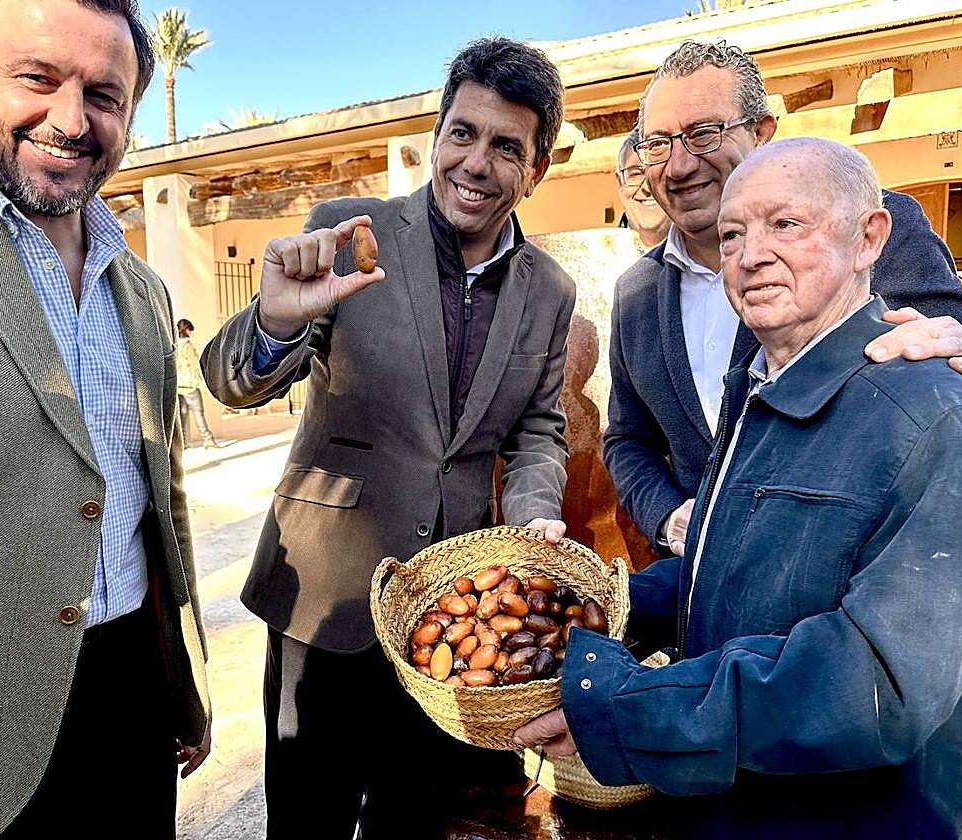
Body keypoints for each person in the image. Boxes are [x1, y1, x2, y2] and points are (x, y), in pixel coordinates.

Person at [516, 137, 962, 838]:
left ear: (869, 238)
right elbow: (734, 574)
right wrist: (596, 604)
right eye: (733, 234)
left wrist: (632, 704)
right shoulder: (759, 391)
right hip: (735, 807)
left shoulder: (933, 418)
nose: (750, 254)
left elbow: (876, 684)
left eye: (786, 225)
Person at [200, 37, 574, 839]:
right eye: (463, 134)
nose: (476, 162)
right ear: (437, 136)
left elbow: (540, 430)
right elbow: (232, 380)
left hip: (449, 626)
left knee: (415, 823)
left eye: (507, 147)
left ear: (535, 169)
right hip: (323, 599)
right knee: (307, 823)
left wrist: (537, 513)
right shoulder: (345, 232)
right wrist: (272, 323)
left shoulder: (551, 291)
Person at [0, 1, 212, 838]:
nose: (69, 119)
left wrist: (179, 683)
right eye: (38, 77)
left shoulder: (144, 289)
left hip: (131, 700)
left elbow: (155, 504)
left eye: (103, 93)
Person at [603, 40, 962, 562]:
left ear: (761, 133)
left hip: (858, 595)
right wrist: (668, 516)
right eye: (657, 144)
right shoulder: (636, 294)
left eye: (702, 134)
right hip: (705, 604)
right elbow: (627, 440)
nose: (677, 167)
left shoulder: (868, 230)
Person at [616, 125, 670, 251]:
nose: (647, 187)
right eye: (635, 174)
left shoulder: (714, 256)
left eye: (657, 172)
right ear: (620, 183)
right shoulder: (595, 258)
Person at [177, 318, 221, 449]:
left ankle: (184, 443)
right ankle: (208, 440)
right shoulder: (187, 345)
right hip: (190, 386)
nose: (191, 333)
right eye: (190, 330)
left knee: (182, 416)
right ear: (186, 330)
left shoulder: (174, 345)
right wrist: (201, 383)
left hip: (179, 387)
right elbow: (194, 367)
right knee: (199, 414)